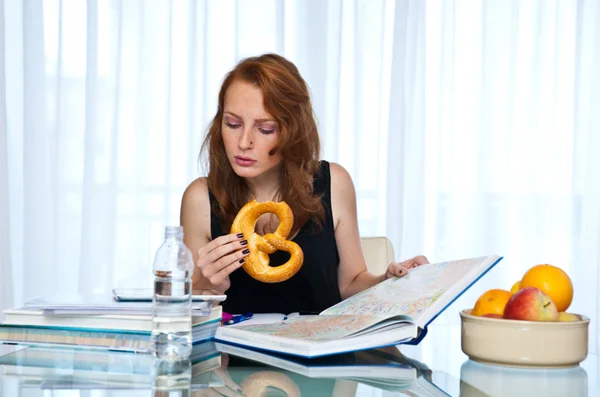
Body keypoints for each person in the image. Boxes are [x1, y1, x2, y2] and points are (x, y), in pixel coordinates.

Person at [180, 53, 428, 315]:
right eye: (232, 124)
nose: (243, 142)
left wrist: (386, 282)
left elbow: (351, 283)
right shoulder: (200, 199)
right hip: (235, 355)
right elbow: (191, 317)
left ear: (293, 131)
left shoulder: (334, 183)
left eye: (265, 129)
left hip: (324, 352)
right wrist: (208, 286)